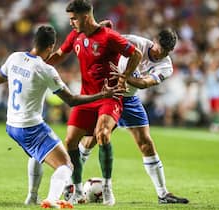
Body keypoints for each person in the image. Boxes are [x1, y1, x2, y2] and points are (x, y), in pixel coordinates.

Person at [0, 25, 124, 208]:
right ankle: (52, 199)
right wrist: (103, 95)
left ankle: (32, 197)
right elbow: (71, 100)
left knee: (36, 154)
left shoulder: (14, 57)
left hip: (12, 125)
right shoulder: (44, 69)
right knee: (66, 165)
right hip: (31, 127)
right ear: (51, 47)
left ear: (35, 41)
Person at [47, 0, 142, 206]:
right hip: (87, 96)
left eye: (73, 19)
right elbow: (59, 55)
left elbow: (136, 53)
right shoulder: (75, 36)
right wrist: (37, 63)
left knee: (103, 134)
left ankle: (107, 187)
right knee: (71, 141)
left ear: (86, 17)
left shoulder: (108, 36)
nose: (71, 23)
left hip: (110, 97)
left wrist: (124, 77)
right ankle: (78, 189)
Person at [78, 28, 190, 204]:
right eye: (161, 48)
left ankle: (163, 194)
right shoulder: (135, 42)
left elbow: (145, 83)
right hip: (109, 95)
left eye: (167, 51)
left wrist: (124, 77)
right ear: (154, 41)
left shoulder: (166, 66)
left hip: (130, 99)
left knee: (146, 143)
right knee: (92, 139)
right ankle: (72, 185)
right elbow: (106, 41)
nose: (162, 54)